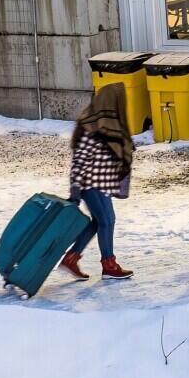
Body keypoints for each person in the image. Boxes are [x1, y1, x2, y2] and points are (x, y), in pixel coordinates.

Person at [60, 85, 134, 280]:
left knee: (98, 222)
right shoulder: (91, 127)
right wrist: (75, 188)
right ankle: (109, 265)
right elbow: (79, 160)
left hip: (102, 185)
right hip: (91, 185)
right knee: (107, 220)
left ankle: (71, 258)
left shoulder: (108, 126)